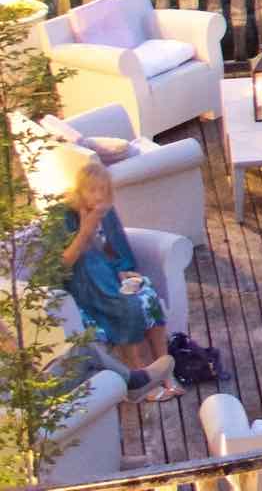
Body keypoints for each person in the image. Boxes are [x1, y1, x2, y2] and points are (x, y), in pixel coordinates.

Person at [57, 161, 181, 402]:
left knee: (147, 294)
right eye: (92, 190)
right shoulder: (66, 216)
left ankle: (165, 371)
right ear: (80, 190)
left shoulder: (106, 211)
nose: (98, 196)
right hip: (84, 283)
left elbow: (116, 248)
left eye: (103, 190)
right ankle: (138, 374)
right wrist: (85, 230)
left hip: (108, 275)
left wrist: (124, 270)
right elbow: (63, 265)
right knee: (128, 306)